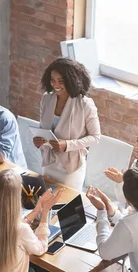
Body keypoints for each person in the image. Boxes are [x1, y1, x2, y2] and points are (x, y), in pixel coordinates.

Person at [33, 58, 101, 191]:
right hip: (49, 162)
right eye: (52, 80)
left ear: (71, 80)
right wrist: (38, 140)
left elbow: (95, 137)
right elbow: (43, 128)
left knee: (66, 205)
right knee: (46, 200)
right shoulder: (47, 98)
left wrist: (67, 145)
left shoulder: (85, 104)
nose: (55, 84)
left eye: (61, 81)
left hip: (71, 167)